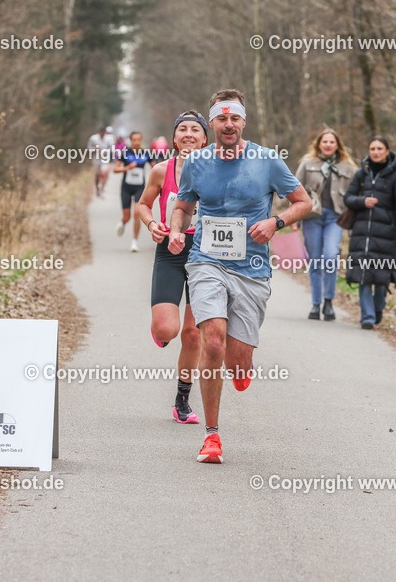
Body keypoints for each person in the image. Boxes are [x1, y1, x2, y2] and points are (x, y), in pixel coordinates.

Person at [168, 89, 312, 464]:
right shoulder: (197, 162)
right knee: (211, 343)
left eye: (235, 119)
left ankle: (241, 365)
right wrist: (175, 229)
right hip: (206, 261)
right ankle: (212, 436)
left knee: (236, 358)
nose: (228, 125)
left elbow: (304, 202)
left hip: (251, 268)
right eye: (221, 119)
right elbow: (182, 207)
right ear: (211, 123)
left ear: (243, 121)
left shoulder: (267, 160)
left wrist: (275, 222)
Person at [136, 112, 209, 424]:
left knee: (193, 334)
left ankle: (182, 399)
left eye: (195, 129)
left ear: (205, 138)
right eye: (183, 129)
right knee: (169, 329)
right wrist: (151, 223)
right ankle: (161, 330)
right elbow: (142, 204)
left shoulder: (218, 170)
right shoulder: (161, 170)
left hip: (205, 254)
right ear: (174, 137)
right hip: (170, 250)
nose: (189, 134)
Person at [344, 136, 396, 329]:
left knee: (382, 277)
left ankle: (378, 306)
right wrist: (362, 201)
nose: (376, 152)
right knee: (363, 275)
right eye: (372, 148)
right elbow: (348, 198)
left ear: (387, 151)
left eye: (380, 148)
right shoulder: (361, 173)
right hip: (362, 232)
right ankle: (367, 317)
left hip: (387, 232)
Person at [294, 129, 357, 321]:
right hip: (312, 216)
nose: (328, 145)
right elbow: (294, 190)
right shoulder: (307, 164)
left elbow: (355, 195)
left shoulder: (348, 168)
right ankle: (315, 304)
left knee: (330, 256)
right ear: (318, 144)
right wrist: (293, 218)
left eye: (332, 142)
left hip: (336, 218)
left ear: (338, 145)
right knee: (315, 259)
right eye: (325, 142)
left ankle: (329, 301)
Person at [114, 131, 152, 252]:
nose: (136, 142)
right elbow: (115, 169)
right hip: (126, 188)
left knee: (137, 213)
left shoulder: (146, 153)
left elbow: (156, 167)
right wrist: (126, 168)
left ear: (141, 140)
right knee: (127, 216)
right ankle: (123, 223)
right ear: (131, 141)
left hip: (140, 188)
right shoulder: (125, 153)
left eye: (138, 140)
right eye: (134, 140)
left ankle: (134, 242)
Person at [87, 126, 115, 198]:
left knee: (104, 173)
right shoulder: (93, 138)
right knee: (98, 174)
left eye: (104, 134)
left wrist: (107, 152)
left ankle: (102, 189)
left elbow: (112, 148)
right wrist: (94, 149)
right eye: (101, 134)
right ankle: (97, 188)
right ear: (99, 133)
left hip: (105, 158)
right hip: (96, 158)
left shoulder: (109, 139)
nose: (103, 135)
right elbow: (89, 148)